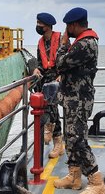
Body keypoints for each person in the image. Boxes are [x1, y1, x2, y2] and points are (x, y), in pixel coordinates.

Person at [53, 7, 105, 193]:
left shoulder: (85, 44)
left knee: (77, 139)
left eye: (68, 26)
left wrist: (63, 44)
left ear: (74, 25)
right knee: (70, 137)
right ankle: (74, 176)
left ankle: (96, 180)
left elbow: (59, 63)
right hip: (71, 98)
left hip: (79, 100)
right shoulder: (81, 42)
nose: (66, 30)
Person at [32, 12, 65, 158]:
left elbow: (67, 59)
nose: (38, 26)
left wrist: (62, 75)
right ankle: (51, 131)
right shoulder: (40, 42)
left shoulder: (61, 39)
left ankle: (58, 142)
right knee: (46, 106)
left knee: (52, 107)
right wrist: (36, 68)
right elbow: (40, 62)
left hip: (59, 79)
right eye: (37, 23)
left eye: (40, 23)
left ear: (48, 26)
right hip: (45, 80)